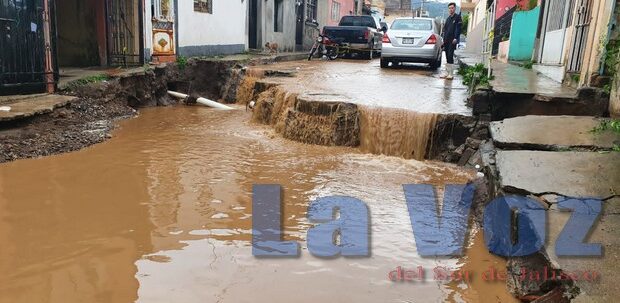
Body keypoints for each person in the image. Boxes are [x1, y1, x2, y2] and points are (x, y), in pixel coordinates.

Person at [441, 2, 462, 80]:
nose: (451, 9)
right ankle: (447, 72)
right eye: (449, 8)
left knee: (450, 55)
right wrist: (443, 40)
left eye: (452, 8)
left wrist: (456, 38)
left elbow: (459, 28)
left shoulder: (458, 17)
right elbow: (445, 30)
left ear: (455, 8)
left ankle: (451, 74)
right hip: (446, 40)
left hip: (453, 40)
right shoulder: (448, 18)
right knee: (446, 56)